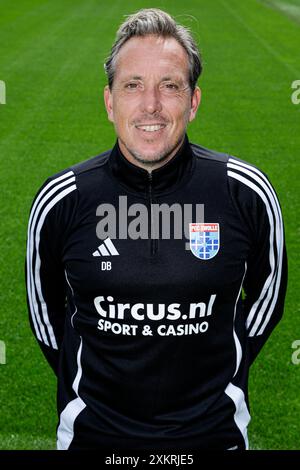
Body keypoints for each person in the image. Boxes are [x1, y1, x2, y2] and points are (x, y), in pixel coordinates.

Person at [26, 8, 287, 451]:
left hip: (212, 438)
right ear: (110, 102)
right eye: (133, 86)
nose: (151, 106)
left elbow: (268, 299)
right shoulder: (62, 201)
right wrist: (85, 400)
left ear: (194, 101)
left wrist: (224, 378)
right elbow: (45, 316)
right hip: (94, 440)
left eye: (170, 86)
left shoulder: (246, 193)